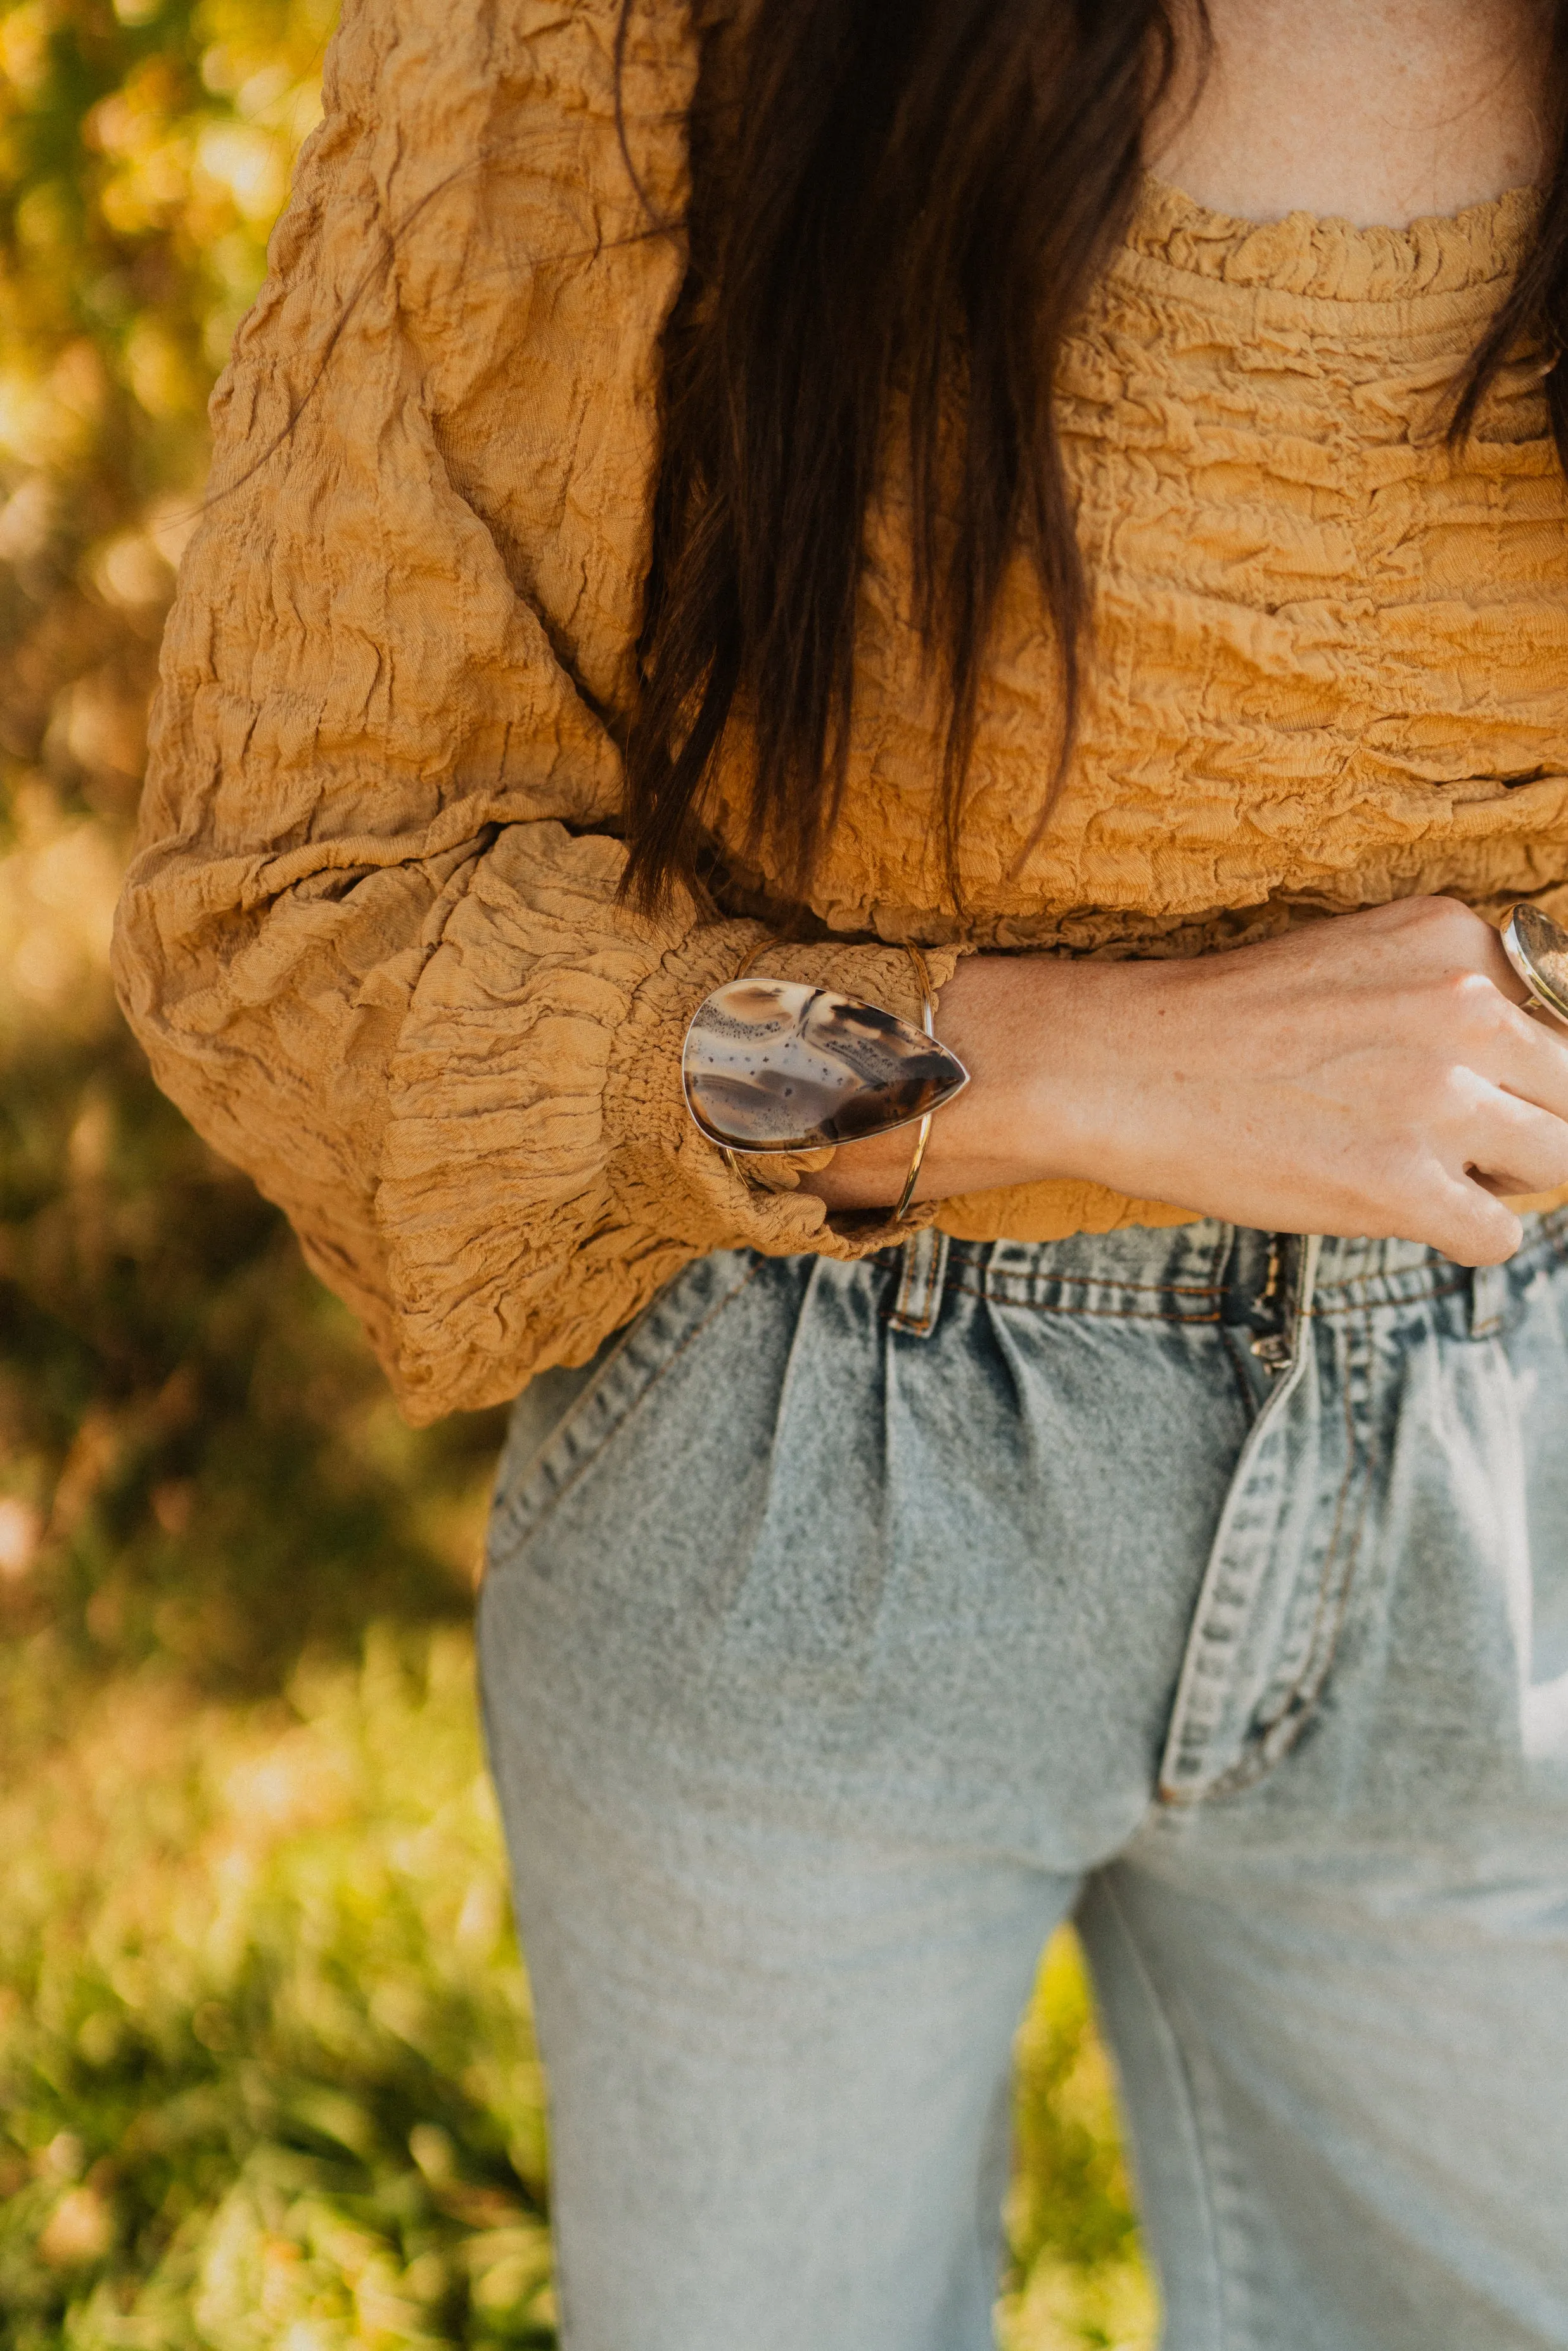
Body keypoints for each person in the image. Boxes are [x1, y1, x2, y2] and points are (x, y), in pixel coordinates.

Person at [113, 0, 1568, 2343]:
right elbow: (293, 908)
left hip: (1514, 1493)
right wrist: (1085, 1059)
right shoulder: (605, 51)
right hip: (808, 1478)